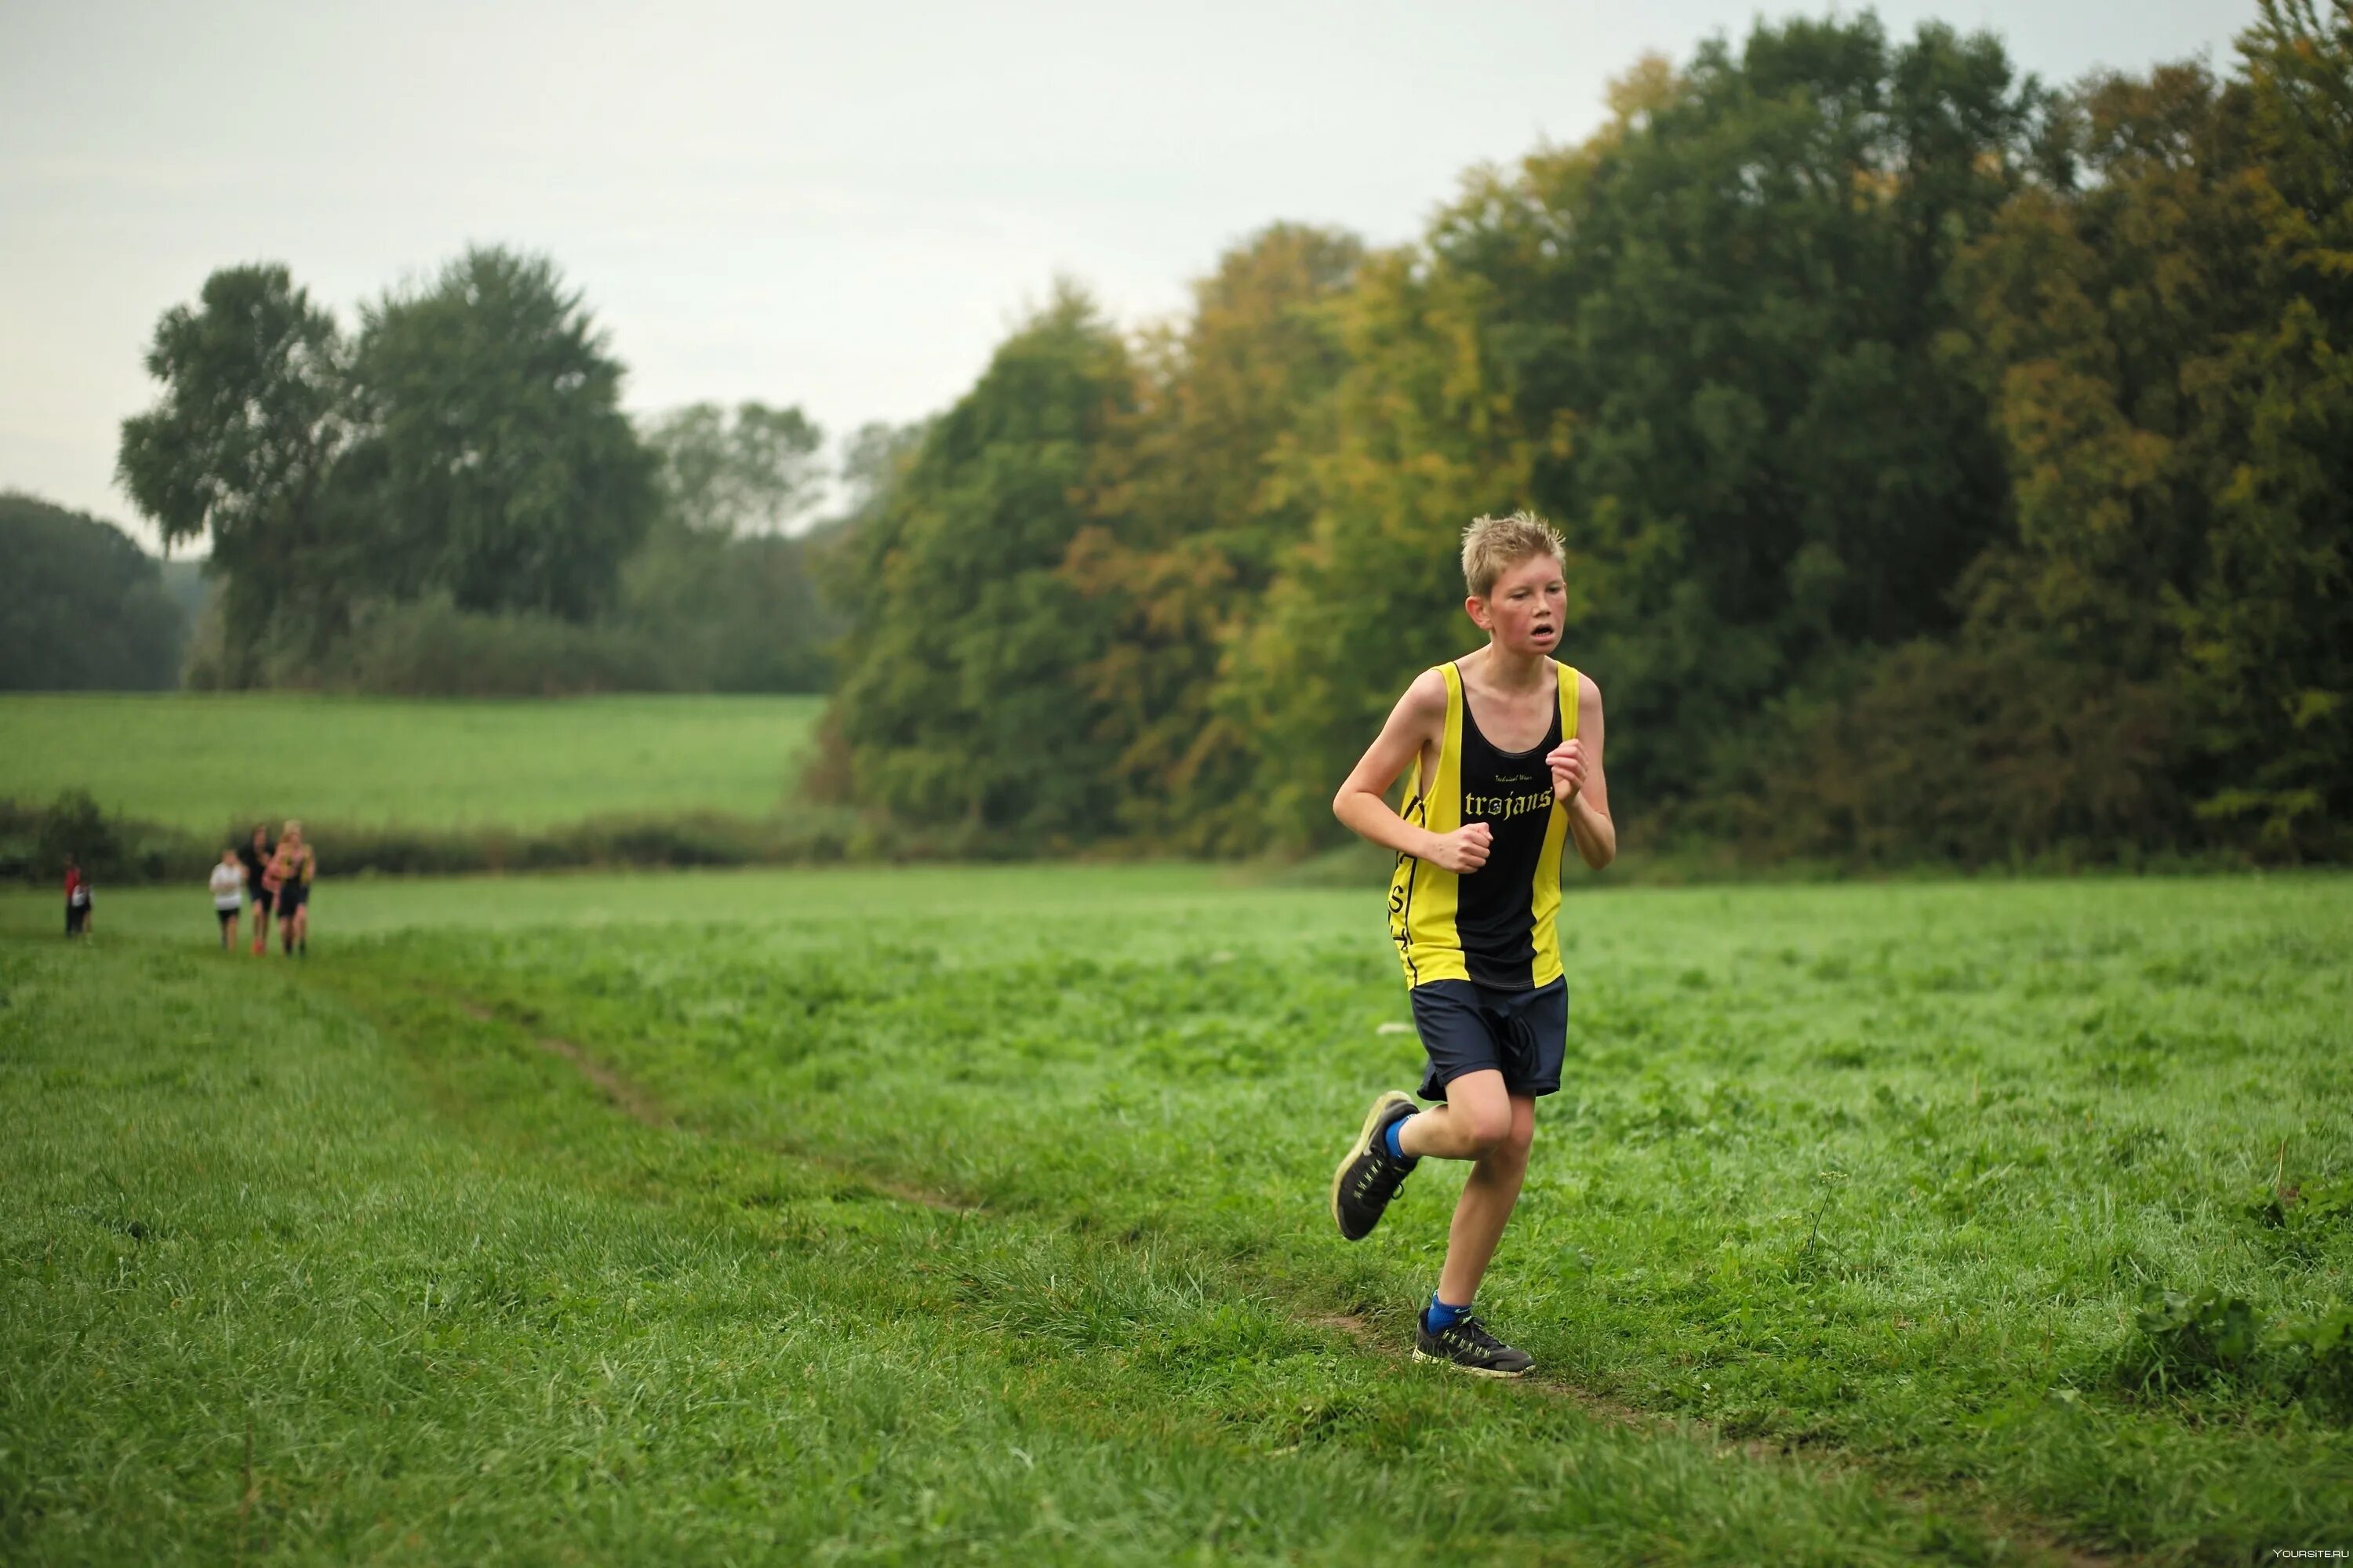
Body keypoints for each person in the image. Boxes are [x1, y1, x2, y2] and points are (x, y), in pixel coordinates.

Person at [1326, 510, 1616, 1377]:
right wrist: (1433, 843)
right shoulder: (1437, 696)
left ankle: (1445, 1321)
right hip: (1440, 937)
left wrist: (1572, 802)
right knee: (1485, 1121)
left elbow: (1603, 850)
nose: (1543, 605)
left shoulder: (1580, 698)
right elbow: (1354, 797)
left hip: (1530, 949)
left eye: (1553, 588)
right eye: (1520, 592)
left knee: (1513, 1140)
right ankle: (1395, 1141)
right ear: (1480, 609)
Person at [271, 820, 315, 958]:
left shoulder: (306, 852)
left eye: (298, 835)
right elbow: (273, 868)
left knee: (301, 915)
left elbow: (311, 868)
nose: (295, 839)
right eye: (293, 836)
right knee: (286, 925)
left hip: (301, 887)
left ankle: (302, 945)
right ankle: (287, 948)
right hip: (287, 887)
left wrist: (308, 874)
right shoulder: (283, 851)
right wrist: (286, 872)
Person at [238, 825, 275, 956]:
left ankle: (263, 943)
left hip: (268, 885)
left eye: (263, 837)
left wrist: (268, 862)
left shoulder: (271, 848)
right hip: (254, 884)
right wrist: (242, 869)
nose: (261, 840)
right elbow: (237, 858)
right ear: (254, 837)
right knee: (257, 910)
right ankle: (256, 940)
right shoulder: (248, 849)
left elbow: (276, 863)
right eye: (259, 837)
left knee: (266, 915)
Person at [210, 848, 246, 949]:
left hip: (234, 901)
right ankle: (225, 939)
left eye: (233, 857)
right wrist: (223, 886)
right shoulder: (218, 870)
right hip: (221, 903)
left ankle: (232, 948)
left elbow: (244, 882)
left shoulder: (238, 869)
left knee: (233, 922)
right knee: (224, 925)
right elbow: (212, 888)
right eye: (229, 857)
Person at [63, 855, 92, 937]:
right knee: (69, 913)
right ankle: (69, 931)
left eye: (69, 861)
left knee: (77, 914)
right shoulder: (68, 872)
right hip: (69, 896)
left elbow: (79, 884)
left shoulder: (76, 872)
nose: (67, 863)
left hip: (76, 896)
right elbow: (68, 885)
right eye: (67, 861)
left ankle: (78, 929)